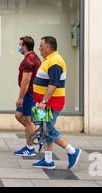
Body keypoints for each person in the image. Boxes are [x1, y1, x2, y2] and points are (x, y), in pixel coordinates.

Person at [32, 36, 81, 170]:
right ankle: (48, 160)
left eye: (41, 46)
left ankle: (72, 151)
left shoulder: (55, 62)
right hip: (46, 103)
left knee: (48, 129)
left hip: (51, 103)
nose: (39, 48)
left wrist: (44, 101)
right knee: (45, 130)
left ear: (48, 47)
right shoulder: (49, 60)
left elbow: (53, 84)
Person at [13, 36, 42, 157]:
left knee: (29, 121)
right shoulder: (34, 57)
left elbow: (26, 81)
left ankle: (30, 148)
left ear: (24, 46)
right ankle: (38, 134)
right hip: (31, 93)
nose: (19, 47)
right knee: (19, 115)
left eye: (20, 45)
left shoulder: (28, 61)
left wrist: (20, 98)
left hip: (29, 94)